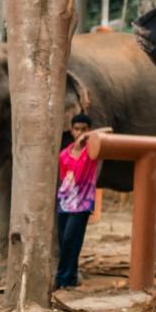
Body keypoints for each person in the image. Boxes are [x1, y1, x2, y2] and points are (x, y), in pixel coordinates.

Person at [56, 112, 99, 290]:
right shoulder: (64, 154)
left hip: (82, 203)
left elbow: (106, 136)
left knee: (70, 238)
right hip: (64, 202)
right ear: (71, 130)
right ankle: (71, 276)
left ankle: (61, 279)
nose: (79, 132)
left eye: (84, 129)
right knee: (64, 240)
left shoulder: (92, 151)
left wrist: (90, 138)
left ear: (89, 131)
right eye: (76, 129)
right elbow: (63, 178)